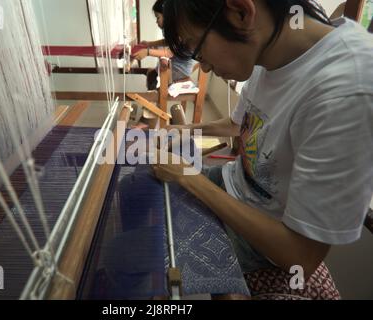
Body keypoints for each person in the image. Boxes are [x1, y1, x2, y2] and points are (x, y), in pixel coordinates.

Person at [151, 0, 373, 287]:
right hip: (233, 183)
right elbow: (236, 124)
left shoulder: (347, 90)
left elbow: (298, 256)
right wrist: (187, 130)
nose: (203, 67)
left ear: (241, 12)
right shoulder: (267, 50)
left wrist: (188, 176)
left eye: (199, 49)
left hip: (260, 234)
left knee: (144, 268)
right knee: (141, 186)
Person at [134, 0, 196, 90]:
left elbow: (169, 53)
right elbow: (167, 41)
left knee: (155, 76)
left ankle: (155, 96)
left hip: (180, 71)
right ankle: (152, 95)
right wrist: (149, 43)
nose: (156, 21)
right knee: (151, 73)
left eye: (158, 17)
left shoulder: (180, 30)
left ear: (168, 16)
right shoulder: (173, 30)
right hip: (176, 66)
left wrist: (147, 52)